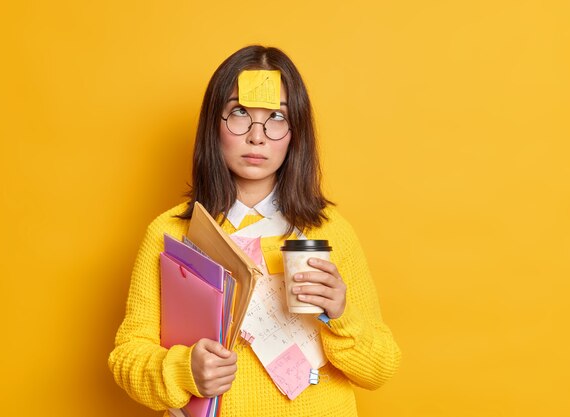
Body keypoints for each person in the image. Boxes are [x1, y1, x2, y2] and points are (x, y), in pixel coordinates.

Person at [108, 45, 401, 417]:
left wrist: (340, 313)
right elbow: (127, 358)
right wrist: (185, 370)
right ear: (214, 123)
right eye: (240, 113)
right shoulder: (171, 234)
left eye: (277, 117)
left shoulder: (330, 233)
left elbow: (380, 369)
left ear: (296, 133)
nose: (257, 136)